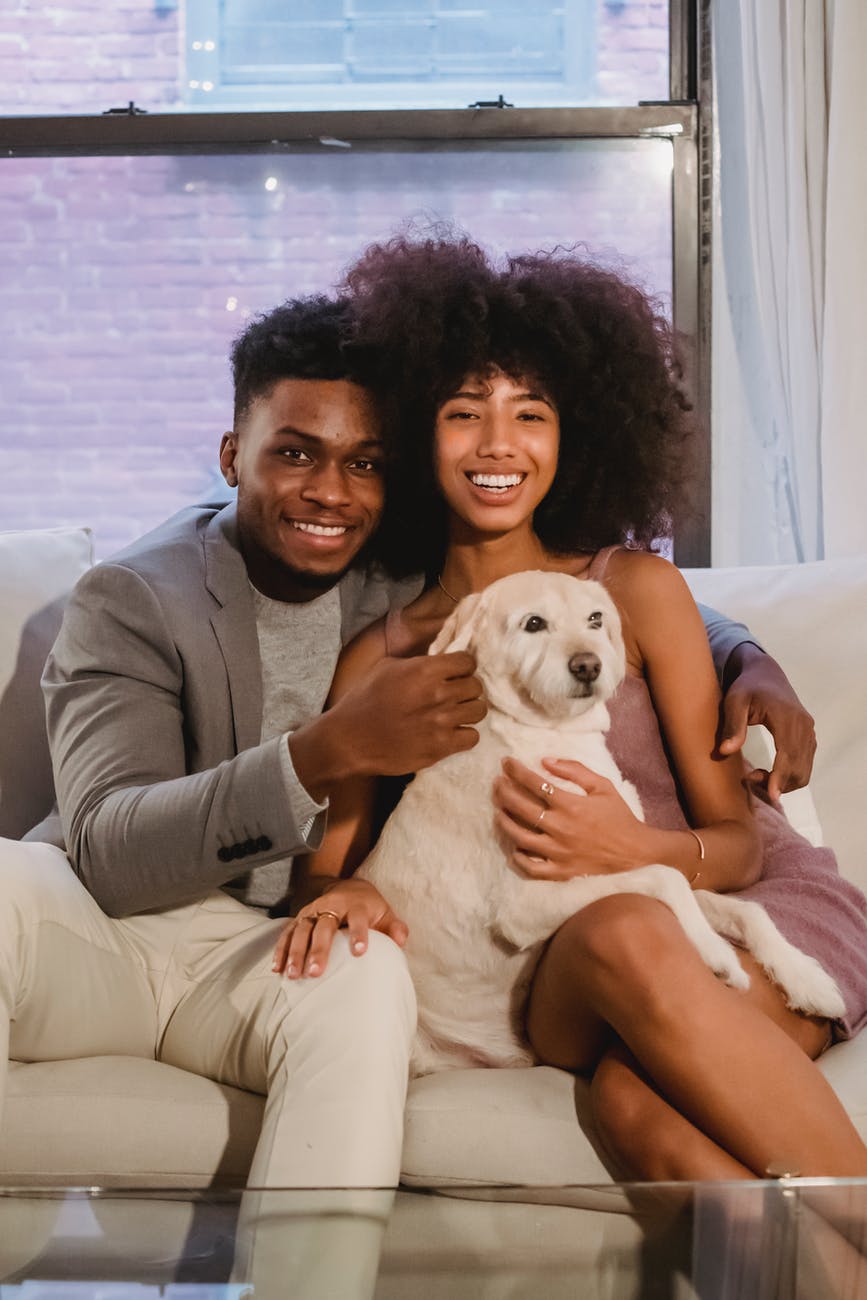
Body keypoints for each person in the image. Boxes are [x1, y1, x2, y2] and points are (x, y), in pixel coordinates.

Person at [275, 234, 867, 1186]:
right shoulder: (385, 653)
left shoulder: (633, 590)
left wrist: (632, 852)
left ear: (575, 433)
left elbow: (741, 841)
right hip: (561, 966)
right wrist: (337, 894)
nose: (499, 443)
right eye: (464, 412)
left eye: (532, 414)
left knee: (634, 1106)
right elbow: (325, 874)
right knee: (615, 932)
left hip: (739, 907)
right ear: (415, 433)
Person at [0, 295, 488, 1293]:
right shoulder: (133, 597)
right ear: (233, 454)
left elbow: (604, 580)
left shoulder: (404, 580)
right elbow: (107, 847)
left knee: (369, 973)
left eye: (364, 462)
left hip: (265, 956)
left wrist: (746, 662)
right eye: (297, 452)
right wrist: (322, 753)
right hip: (105, 935)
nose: (333, 490)